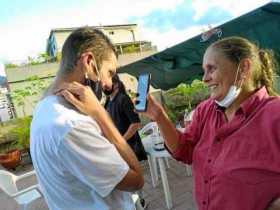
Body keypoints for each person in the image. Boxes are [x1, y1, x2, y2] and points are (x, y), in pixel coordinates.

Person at [140, 36, 280, 210]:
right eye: (203, 71)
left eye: (211, 69)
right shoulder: (205, 110)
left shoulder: (274, 115)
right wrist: (159, 116)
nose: (204, 79)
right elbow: (184, 150)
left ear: (244, 68)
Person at [30, 27, 144, 210]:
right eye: (110, 73)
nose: (109, 83)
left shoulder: (43, 109)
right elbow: (137, 180)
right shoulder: (71, 126)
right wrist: (101, 114)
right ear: (89, 62)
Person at [104, 74, 148, 208]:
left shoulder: (124, 100)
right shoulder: (108, 102)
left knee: (133, 176)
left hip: (129, 145)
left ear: (116, 84)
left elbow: (135, 124)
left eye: (107, 83)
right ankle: (134, 203)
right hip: (118, 147)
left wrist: (120, 141)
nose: (103, 86)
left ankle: (141, 201)